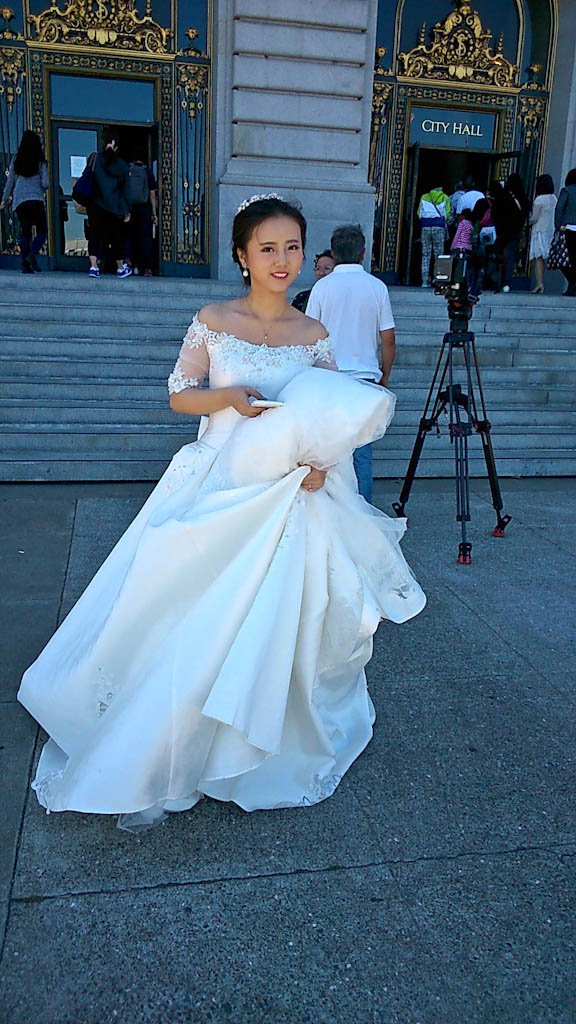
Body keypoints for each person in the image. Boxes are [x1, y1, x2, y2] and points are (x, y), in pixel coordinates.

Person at [17, 194, 425, 830]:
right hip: (214, 483)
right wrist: (226, 398)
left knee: (272, 619)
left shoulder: (314, 335)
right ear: (242, 256)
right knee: (184, 612)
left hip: (288, 497)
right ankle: (167, 733)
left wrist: (323, 463)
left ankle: (251, 739)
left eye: (292, 247)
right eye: (268, 249)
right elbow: (179, 395)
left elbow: (333, 413)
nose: (282, 260)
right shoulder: (212, 318)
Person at [305, 223, 395, 503]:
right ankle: (363, 512)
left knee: (326, 448)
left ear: (333, 251)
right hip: (364, 379)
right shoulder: (377, 287)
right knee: (361, 453)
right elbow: (388, 339)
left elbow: (307, 335)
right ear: (363, 252)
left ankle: (331, 509)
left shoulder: (322, 288)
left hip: (328, 378)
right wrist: (385, 377)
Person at [0, 130, 49, 273]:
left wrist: (3, 201)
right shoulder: (40, 162)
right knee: (41, 231)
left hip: (20, 201)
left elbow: (9, 183)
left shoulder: (17, 159)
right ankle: (31, 255)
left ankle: (24, 263)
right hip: (36, 200)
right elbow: (46, 183)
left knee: (25, 232)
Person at [86, 128, 132, 279]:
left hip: (95, 205)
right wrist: (126, 210)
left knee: (94, 235)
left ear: (103, 142)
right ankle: (120, 268)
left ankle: (93, 266)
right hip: (113, 207)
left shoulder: (95, 159)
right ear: (116, 145)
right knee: (116, 238)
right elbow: (125, 191)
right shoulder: (122, 166)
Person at [492, 173, 529, 293]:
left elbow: (494, 213)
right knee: (510, 257)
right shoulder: (522, 197)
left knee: (496, 255)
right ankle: (507, 282)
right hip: (515, 231)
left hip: (502, 231)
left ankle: (494, 280)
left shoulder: (502, 196)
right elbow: (525, 214)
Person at [124, 154, 158, 277]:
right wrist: (154, 213)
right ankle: (147, 268)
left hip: (130, 209)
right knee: (146, 239)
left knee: (129, 237)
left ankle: (128, 262)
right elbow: (152, 194)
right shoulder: (147, 172)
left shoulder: (126, 170)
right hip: (144, 209)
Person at [417, 184, 450, 287]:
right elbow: (447, 214)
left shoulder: (424, 197)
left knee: (425, 255)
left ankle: (425, 281)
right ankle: (438, 280)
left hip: (425, 227)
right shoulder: (445, 197)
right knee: (439, 255)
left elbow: (419, 213)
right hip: (439, 227)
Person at [529, 174, 557, 294]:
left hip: (539, 230)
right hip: (550, 230)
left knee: (538, 257)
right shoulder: (554, 198)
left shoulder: (539, 199)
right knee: (545, 256)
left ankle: (539, 283)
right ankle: (540, 284)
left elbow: (534, 218)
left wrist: (527, 221)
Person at [554, 168, 576, 297]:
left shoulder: (567, 191)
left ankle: (573, 283)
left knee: (565, 259)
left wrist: (558, 226)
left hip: (568, 228)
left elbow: (559, 208)